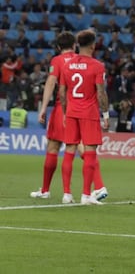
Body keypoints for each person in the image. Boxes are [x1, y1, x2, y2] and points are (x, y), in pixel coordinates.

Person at [30, 31, 108, 204]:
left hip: (64, 109)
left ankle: (48, 190)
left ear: (58, 47)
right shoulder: (85, 61)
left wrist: (43, 108)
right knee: (85, 149)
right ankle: (97, 186)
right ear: (74, 45)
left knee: (55, 147)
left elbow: (52, 83)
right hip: (85, 110)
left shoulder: (59, 61)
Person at [59, 29, 109, 205]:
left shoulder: (67, 65)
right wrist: (106, 114)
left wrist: (65, 113)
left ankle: (66, 194)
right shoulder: (97, 66)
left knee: (69, 151)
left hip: (72, 112)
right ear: (93, 45)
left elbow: (62, 92)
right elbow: (101, 93)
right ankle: (86, 195)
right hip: (89, 113)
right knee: (89, 154)